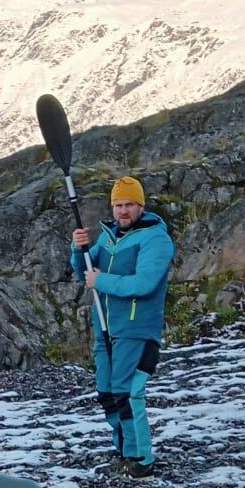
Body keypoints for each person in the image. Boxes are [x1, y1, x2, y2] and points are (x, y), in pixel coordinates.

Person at [69, 177, 175, 472]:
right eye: (118, 205)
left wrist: (101, 280)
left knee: (128, 393)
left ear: (141, 205)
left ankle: (142, 460)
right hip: (106, 328)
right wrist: (78, 250)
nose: (123, 211)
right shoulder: (108, 237)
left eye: (129, 204)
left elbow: (144, 283)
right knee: (108, 393)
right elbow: (84, 272)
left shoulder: (156, 239)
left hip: (137, 329)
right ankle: (124, 452)